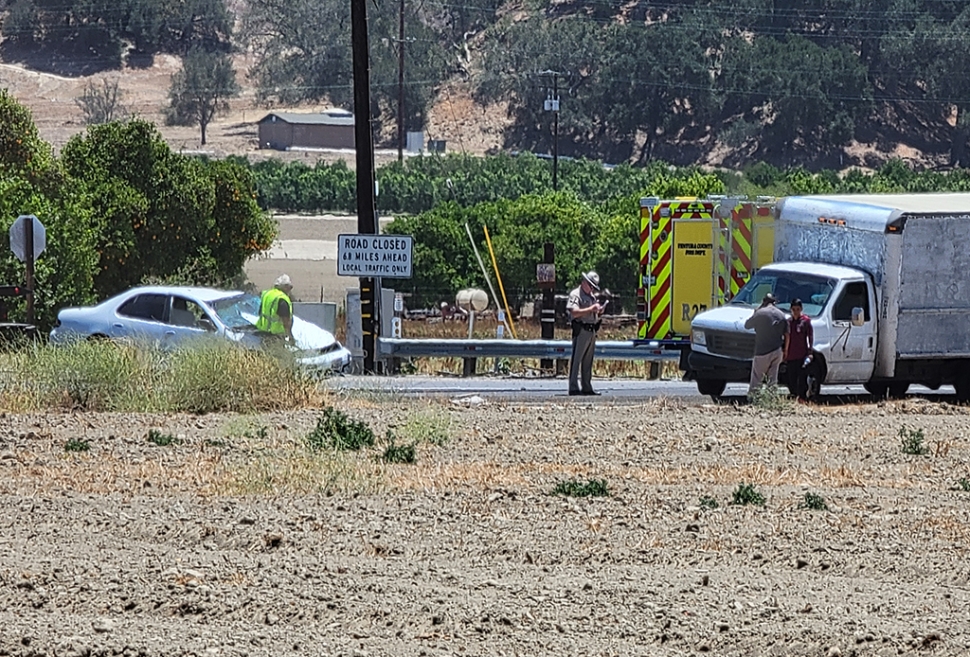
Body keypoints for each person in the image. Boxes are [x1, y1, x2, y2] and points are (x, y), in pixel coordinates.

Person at [744, 292, 789, 397]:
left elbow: (747, 325)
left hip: (762, 351)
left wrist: (756, 311)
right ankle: (771, 399)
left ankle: (753, 398)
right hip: (777, 351)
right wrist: (785, 350)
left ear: (764, 301)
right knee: (772, 379)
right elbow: (787, 334)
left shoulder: (760, 313)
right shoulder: (781, 315)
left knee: (757, 377)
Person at [567, 271, 603, 396]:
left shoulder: (591, 296)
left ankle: (586, 386)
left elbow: (593, 313)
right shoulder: (576, 294)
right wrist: (590, 309)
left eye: (594, 287)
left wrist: (599, 311)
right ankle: (573, 387)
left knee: (588, 361)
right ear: (584, 282)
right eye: (590, 285)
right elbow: (574, 312)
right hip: (581, 330)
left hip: (592, 330)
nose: (592, 288)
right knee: (576, 360)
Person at [784, 298, 814, 400]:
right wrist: (785, 352)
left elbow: (810, 336)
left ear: (801, 309)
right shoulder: (789, 322)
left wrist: (810, 352)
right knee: (791, 378)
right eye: (793, 309)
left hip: (802, 354)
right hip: (791, 355)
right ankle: (793, 396)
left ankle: (802, 397)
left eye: (797, 309)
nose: (796, 311)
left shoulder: (805, 321)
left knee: (802, 378)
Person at [256, 274, 295, 343]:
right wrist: (290, 336)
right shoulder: (282, 298)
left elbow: (260, 312)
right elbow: (285, 321)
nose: (290, 289)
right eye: (289, 287)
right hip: (276, 335)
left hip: (262, 332)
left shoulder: (267, 294)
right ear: (284, 287)